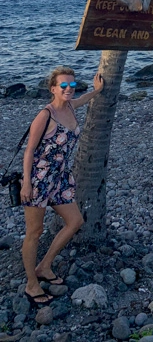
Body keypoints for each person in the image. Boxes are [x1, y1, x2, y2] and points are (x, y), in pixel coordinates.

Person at [20, 66, 104, 307]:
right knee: (34, 232)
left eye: (72, 85)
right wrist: (27, 182)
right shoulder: (45, 115)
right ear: (53, 89)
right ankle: (31, 284)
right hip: (39, 178)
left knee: (75, 221)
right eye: (63, 86)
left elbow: (81, 100)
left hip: (61, 178)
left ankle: (44, 265)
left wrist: (96, 91)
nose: (69, 89)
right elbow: (29, 151)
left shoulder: (69, 106)